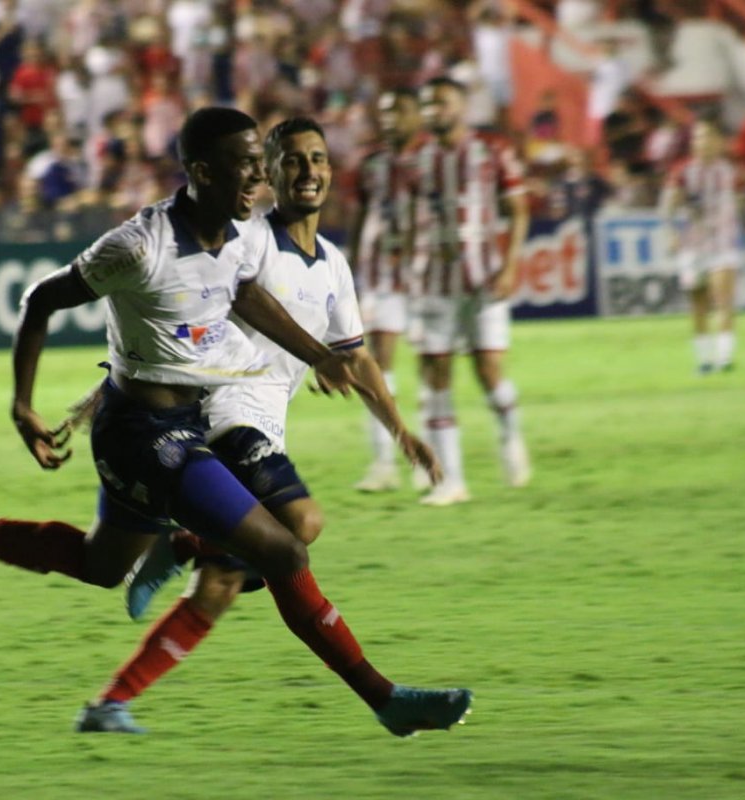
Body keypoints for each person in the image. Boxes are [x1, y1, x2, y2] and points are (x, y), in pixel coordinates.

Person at [0, 107, 472, 737]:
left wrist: (319, 355)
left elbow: (246, 294)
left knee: (101, 565)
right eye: (246, 164)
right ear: (202, 172)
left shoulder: (235, 238)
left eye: (258, 163)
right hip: (145, 435)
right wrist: (23, 404)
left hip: (172, 421)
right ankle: (384, 699)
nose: (259, 176)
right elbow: (42, 299)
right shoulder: (140, 245)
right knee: (284, 547)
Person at [73, 116, 442, 733]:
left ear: (331, 170)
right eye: (292, 160)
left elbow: (355, 356)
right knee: (303, 523)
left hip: (267, 424)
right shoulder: (244, 238)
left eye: (317, 159)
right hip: (221, 413)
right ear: (267, 171)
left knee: (219, 585)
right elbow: (175, 306)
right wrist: (114, 384)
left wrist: (400, 430)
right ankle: (181, 544)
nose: (307, 171)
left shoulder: (333, 265)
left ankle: (112, 702)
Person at [409, 76, 531, 506]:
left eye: (441, 102)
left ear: (462, 106)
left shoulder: (492, 150)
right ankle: (451, 482)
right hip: (434, 283)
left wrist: (510, 266)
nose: (433, 111)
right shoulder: (417, 158)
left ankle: (510, 431)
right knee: (436, 377)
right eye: (428, 104)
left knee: (489, 373)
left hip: (483, 279)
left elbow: (518, 209)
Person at [350, 89, 423, 492]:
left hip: (427, 276)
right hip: (381, 276)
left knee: (433, 366)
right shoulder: (372, 164)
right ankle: (384, 463)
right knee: (377, 365)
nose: (391, 118)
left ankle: (432, 461)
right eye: (386, 112)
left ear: (417, 115)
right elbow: (362, 214)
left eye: (400, 110)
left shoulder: (432, 160)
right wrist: (350, 266)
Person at [660, 117, 745, 374]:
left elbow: (743, 205)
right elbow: (667, 207)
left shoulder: (732, 172)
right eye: (698, 136)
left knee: (723, 299)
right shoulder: (683, 171)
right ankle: (704, 360)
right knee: (698, 305)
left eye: (708, 135)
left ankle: (725, 358)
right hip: (693, 246)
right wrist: (671, 233)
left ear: (720, 141)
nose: (702, 141)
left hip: (724, 243)